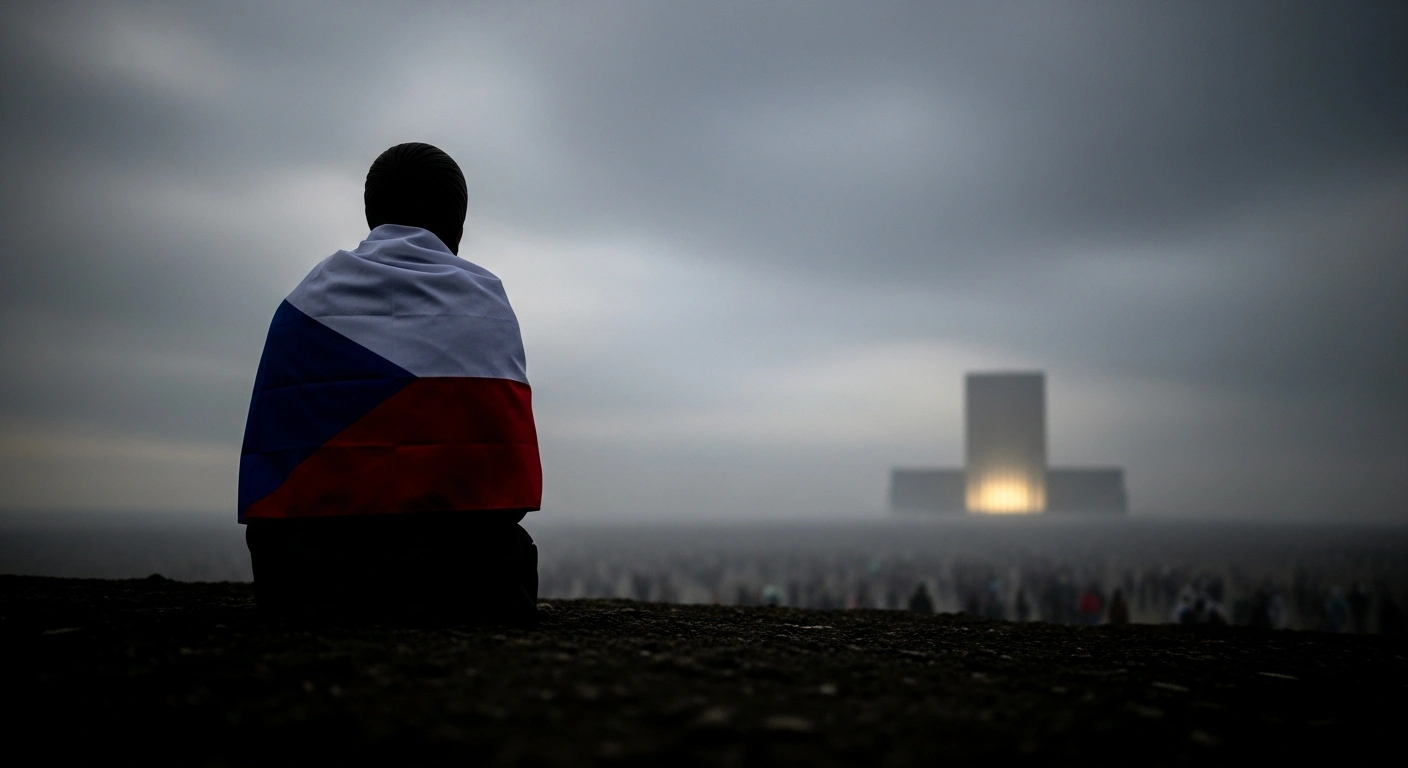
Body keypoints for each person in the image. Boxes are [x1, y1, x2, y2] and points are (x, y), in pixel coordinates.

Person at [239, 143, 541, 622]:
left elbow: (273, 482)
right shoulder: (485, 300)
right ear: (457, 224)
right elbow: (502, 488)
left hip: (306, 581)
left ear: (371, 214)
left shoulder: (304, 302)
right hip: (467, 582)